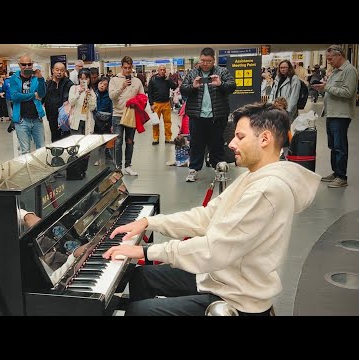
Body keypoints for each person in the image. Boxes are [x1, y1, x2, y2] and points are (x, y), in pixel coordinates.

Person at [102, 102, 321, 316]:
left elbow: (214, 250)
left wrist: (147, 251)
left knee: (139, 311)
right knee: (142, 277)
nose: (231, 143)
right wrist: (150, 222)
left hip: (239, 298)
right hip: (224, 277)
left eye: (240, 137)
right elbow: (206, 217)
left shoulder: (267, 189)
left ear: (265, 139)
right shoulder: (255, 176)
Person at [180, 47, 236, 183]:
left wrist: (220, 84)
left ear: (213, 60)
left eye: (208, 61)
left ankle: (219, 170)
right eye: (203, 61)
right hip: (197, 116)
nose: (205, 63)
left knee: (216, 144)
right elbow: (183, 90)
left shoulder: (222, 72)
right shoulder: (192, 73)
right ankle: (193, 170)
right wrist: (192, 86)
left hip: (217, 116)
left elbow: (232, 87)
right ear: (199, 59)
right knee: (196, 144)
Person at [312, 44, 358, 188]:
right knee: (333, 145)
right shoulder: (336, 71)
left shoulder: (349, 71)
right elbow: (332, 90)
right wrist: (324, 86)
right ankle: (336, 172)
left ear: (340, 55)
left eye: (330, 58)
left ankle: (342, 177)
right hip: (331, 113)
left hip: (341, 115)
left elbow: (348, 92)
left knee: (340, 146)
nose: (329, 61)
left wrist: (327, 87)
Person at [108, 56, 145, 176]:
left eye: (129, 68)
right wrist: (122, 86)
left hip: (132, 115)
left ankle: (128, 165)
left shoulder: (137, 81)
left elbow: (143, 97)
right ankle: (118, 166)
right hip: (118, 114)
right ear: (121, 67)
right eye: (125, 68)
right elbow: (112, 96)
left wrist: (137, 102)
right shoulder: (114, 80)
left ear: (132, 67)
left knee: (130, 141)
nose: (127, 70)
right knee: (118, 142)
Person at [9, 55, 46, 155]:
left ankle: (41, 170)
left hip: (37, 119)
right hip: (22, 120)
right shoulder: (13, 78)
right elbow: (15, 96)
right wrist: (33, 95)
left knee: (41, 149)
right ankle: (28, 171)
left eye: (29, 64)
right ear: (19, 65)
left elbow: (42, 94)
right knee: (25, 151)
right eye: (23, 64)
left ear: (32, 64)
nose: (26, 67)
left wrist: (41, 79)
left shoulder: (36, 78)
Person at [43, 61, 73, 142]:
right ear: (53, 70)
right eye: (57, 70)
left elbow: (73, 97)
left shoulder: (68, 83)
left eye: (62, 70)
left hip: (65, 116)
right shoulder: (47, 84)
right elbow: (42, 98)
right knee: (54, 136)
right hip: (51, 115)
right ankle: (56, 153)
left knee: (66, 137)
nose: (59, 72)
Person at [147, 64, 177, 145]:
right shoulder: (153, 79)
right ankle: (156, 138)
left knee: (168, 122)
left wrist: (169, 79)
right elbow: (149, 93)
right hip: (156, 104)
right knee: (156, 122)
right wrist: (151, 104)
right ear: (158, 70)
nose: (163, 71)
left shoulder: (167, 79)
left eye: (164, 70)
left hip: (166, 103)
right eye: (161, 70)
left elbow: (174, 86)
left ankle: (168, 138)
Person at [68, 68, 97, 135]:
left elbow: (92, 108)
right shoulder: (74, 88)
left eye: (86, 79)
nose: (83, 81)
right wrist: (78, 93)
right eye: (81, 79)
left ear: (90, 79)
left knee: (86, 143)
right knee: (76, 143)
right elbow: (71, 102)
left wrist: (89, 96)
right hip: (75, 121)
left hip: (87, 121)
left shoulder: (92, 92)